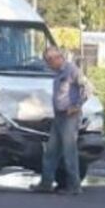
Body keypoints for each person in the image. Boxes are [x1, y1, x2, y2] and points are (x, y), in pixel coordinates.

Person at [31, 46, 88, 195]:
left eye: (49, 60)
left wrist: (77, 106)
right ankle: (46, 183)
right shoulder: (58, 74)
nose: (49, 64)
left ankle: (74, 186)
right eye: (47, 61)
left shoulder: (72, 70)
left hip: (70, 116)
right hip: (59, 116)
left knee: (69, 151)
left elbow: (87, 88)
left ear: (57, 58)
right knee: (51, 151)